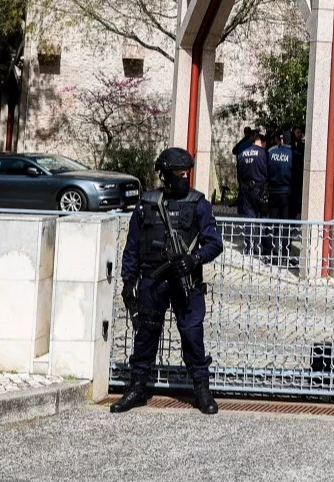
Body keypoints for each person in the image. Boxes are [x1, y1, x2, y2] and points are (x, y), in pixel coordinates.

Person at [111, 147, 224, 415]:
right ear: (164, 175)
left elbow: (214, 243)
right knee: (146, 333)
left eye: (187, 174)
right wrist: (129, 281)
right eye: (178, 174)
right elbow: (133, 245)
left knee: (192, 334)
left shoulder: (199, 204)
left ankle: (201, 389)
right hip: (152, 280)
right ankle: (137, 387)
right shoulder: (146, 204)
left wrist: (194, 260)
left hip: (186, 281)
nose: (184, 178)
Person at [235, 130, 270, 258]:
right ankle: (264, 247)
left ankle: (249, 246)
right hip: (260, 188)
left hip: (245, 188)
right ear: (262, 142)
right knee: (264, 217)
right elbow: (268, 171)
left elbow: (238, 173)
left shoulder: (241, 154)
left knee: (249, 217)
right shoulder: (264, 154)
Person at [266, 132, 294, 261]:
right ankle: (284, 252)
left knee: (273, 222)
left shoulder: (271, 152)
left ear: (281, 140)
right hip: (286, 193)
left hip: (273, 191)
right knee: (286, 224)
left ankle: (270, 251)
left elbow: (266, 170)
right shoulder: (293, 154)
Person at [288, 124, 306, 220]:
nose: (298, 134)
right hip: (291, 174)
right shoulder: (289, 145)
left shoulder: (303, 145)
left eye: (299, 132)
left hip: (299, 173)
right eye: (296, 132)